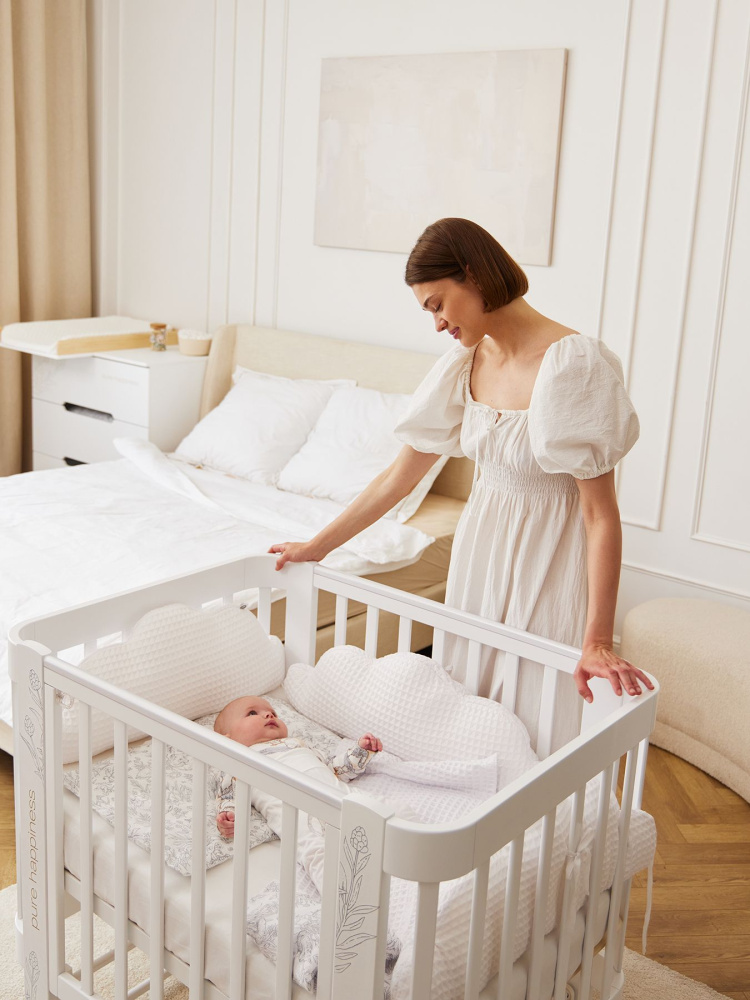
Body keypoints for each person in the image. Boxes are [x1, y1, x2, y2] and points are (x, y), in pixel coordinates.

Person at [269, 218, 653, 751]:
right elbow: (398, 478)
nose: (436, 324)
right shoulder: (465, 363)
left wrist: (599, 640)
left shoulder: (574, 364)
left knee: (539, 719)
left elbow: (599, 515)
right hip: (478, 563)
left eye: (437, 305)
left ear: (473, 276)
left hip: (547, 564)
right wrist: (318, 546)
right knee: (466, 718)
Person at [213, 696, 381, 889]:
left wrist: (360, 752)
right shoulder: (239, 761)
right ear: (227, 739)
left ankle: (405, 841)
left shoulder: (298, 744)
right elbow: (228, 795)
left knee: (384, 810)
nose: (268, 715)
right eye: (252, 713)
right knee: (317, 853)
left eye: (273, 713)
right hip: (297, 817)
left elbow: (336, 770)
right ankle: (344, 894)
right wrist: (228, 815)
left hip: (341, 796)